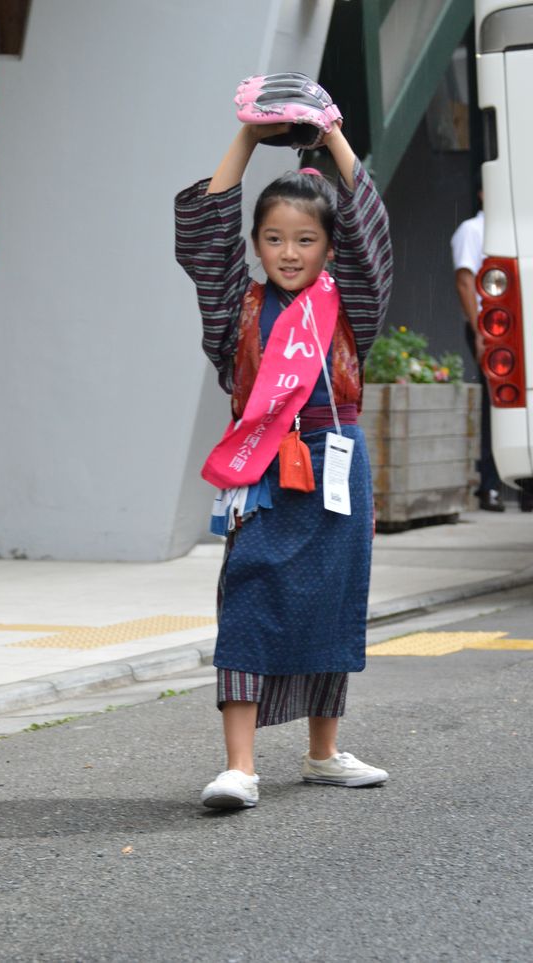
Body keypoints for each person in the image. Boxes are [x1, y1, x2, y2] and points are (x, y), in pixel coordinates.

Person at [175, 76, 393, 809]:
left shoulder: (350, 305)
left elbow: (374, 234)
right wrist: (248, 133)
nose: (289, 253)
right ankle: (239, 766)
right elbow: (205, 234)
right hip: (263, 471)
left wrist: (330, 131)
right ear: (256, 245)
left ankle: (324, 752)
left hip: (335, 466)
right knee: (247, 598)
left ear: (330, 247)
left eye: (306, 240)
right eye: (273, 239)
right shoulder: (235, 301)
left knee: (333, 602)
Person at [450, 192, 504, 511]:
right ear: (484, 193)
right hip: (490, 328)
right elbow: (464, 281)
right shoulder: (472, 230)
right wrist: (479, 329)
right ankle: (489, 484)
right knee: (493, 402)